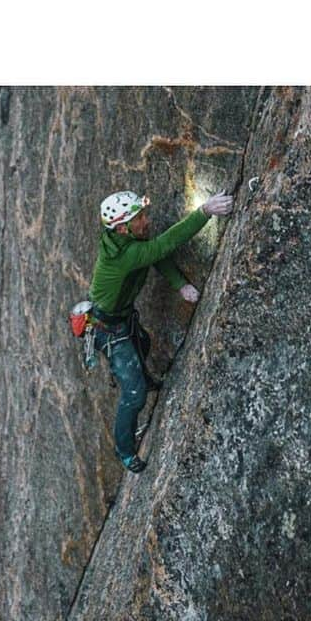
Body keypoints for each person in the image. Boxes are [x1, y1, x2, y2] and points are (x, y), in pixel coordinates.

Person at [89, 188, 234, 472]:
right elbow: (161, 247)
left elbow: (152, 255)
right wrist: (204, 211)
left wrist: (180, 284)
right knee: (135, 394)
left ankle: (142, 375)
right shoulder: (122, 255)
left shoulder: (126, 243)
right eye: (139, 217)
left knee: (141, 342)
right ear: (121, 227)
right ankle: (125, 451)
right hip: (108, 329)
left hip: (120, 319)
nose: (146, 220)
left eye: (143, 214)